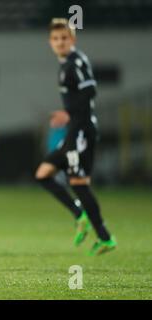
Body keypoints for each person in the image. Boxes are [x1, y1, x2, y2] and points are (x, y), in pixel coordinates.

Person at [35, 19, 117, 256]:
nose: (60, 42)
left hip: (82, 131)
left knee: (79, 184)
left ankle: (105, 236)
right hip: (75, 130)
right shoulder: (66, 63)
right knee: (43, 174)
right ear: (50, 42)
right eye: (56, 39)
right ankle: (79, 214)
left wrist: (67, 113)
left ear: (73, 39)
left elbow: (91, 89)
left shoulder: (74, 62)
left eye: (64, 38)